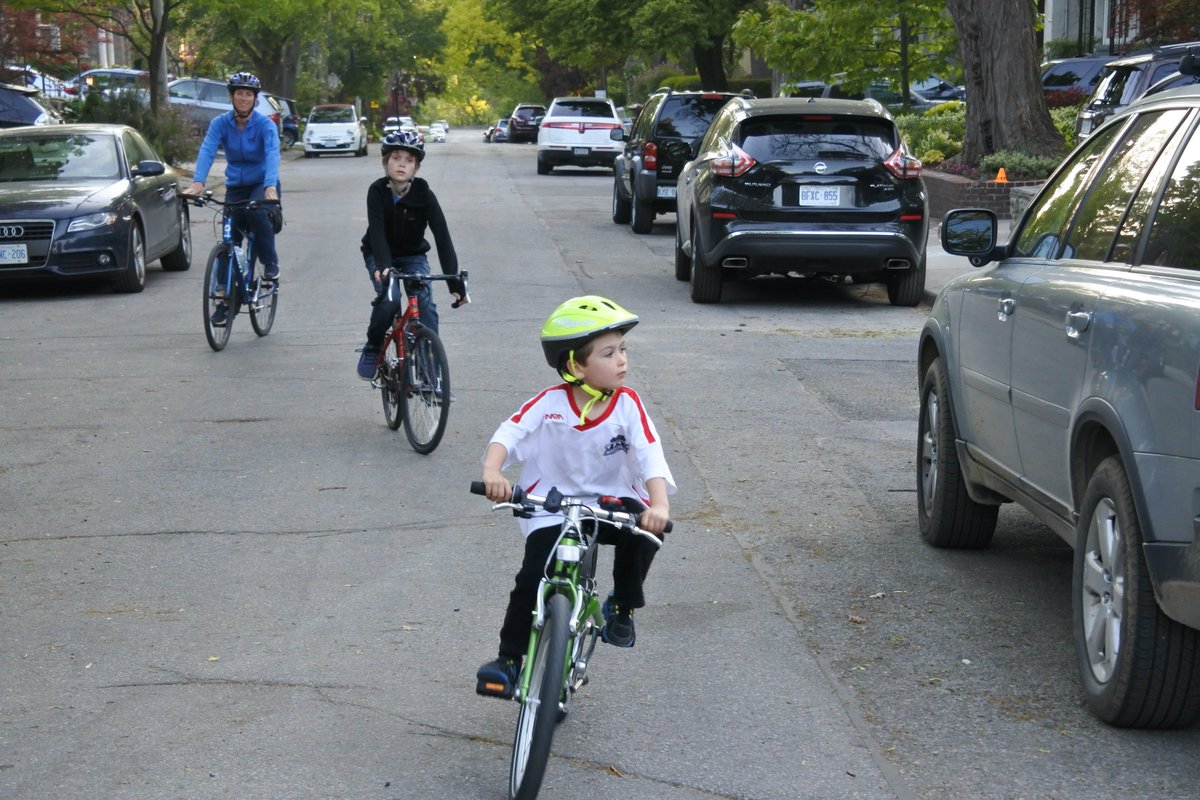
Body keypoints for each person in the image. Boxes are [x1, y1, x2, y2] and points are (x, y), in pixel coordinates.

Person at [475, 296, 675, 699]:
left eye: (623, 350)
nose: (622, 360)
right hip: (552, 506)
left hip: (612, 503)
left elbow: (650, 452)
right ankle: (510, 660)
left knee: (646, 535)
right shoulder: (549, 405)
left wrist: (659, 505)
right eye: (608, 353)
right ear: (575, 366)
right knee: (532, 577)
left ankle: (623, 604)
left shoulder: (628, 404)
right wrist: (492, 472)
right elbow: (509, 433)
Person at [356, 130, 465, 380]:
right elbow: (377, 232)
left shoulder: (425, 195)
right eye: (395, 157)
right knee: (390, 298)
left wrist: (454, 281)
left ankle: (430, 375)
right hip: (379, 253)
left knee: (425, 305)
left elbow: (442, 238)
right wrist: (382, 266)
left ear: (417, 167)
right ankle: (373, 347)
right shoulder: (377, 191)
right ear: (386, 162)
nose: (402, 163)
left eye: (408, 159)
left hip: (413, 256)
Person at [183, 71, 281, 326]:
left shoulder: (265, 125)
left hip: (261, 183)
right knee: (229, 242)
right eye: (239, 93)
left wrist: (270, 185)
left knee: (257, 213)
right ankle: (224, 301)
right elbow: (207, 150)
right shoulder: (220, 124)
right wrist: (198, 182)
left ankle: (270, 263)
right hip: (236, 186)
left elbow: (272, 154)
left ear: (255, 99)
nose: (244, 98)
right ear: (232, 97)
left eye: (248, 94)